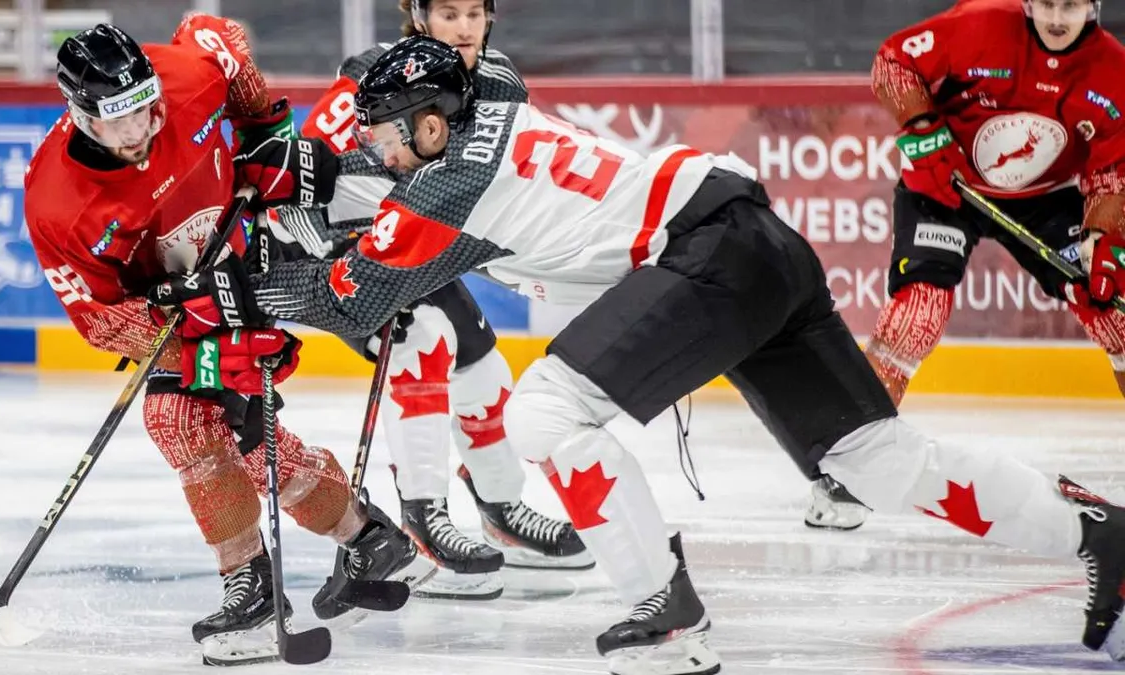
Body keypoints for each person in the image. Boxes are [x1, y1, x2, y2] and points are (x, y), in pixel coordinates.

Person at [152, 36, 1125, 675]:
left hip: (704, 257)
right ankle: (1100, 539)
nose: (375, 148)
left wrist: (236, 284)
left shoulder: (442, 197)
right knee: (875, 462)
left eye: (384, 137)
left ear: (432, 127)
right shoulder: (492, 88)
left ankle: (666, 615)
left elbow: (350, 299)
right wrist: (340, 172)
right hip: (756, 237)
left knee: (548, 415)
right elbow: (442, 90)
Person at [23, 19, 433, 665]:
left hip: (254, 247)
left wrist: (268, 136)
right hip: (183, 302)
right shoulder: (58, 203)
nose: (138, 130)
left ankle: (262, 587)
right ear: (78, 113)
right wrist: (195, 346)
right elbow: (102, 319)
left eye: (144, 109)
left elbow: (216, 38)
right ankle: (368, 539)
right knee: (214, 427)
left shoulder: (184, 76)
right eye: (116, 119)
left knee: (186, 420)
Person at [295, 0, 591, 601]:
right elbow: (301, 175)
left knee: (484, 370)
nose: (463, 27)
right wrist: (321, 250)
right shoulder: (372, 75)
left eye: (474, 14)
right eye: (448, 13)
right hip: (341, 252)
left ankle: (502, 511)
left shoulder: (501, 82)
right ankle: (422, 522)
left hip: (416, 244)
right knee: (423, 339)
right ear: (418, 15)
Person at [810, 0, 1125, 530]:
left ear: (1093, 7)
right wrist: (921, 124)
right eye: (1046, 3)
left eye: (1070, 6)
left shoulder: (1114, 72)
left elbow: (1112, 168)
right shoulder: (979, 25)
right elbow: (893, 61)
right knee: (918, 314)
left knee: (1116, 312)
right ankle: (843, 472)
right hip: (944, 185)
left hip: (1046, 198)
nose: (1055, 18)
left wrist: (1103, 239)